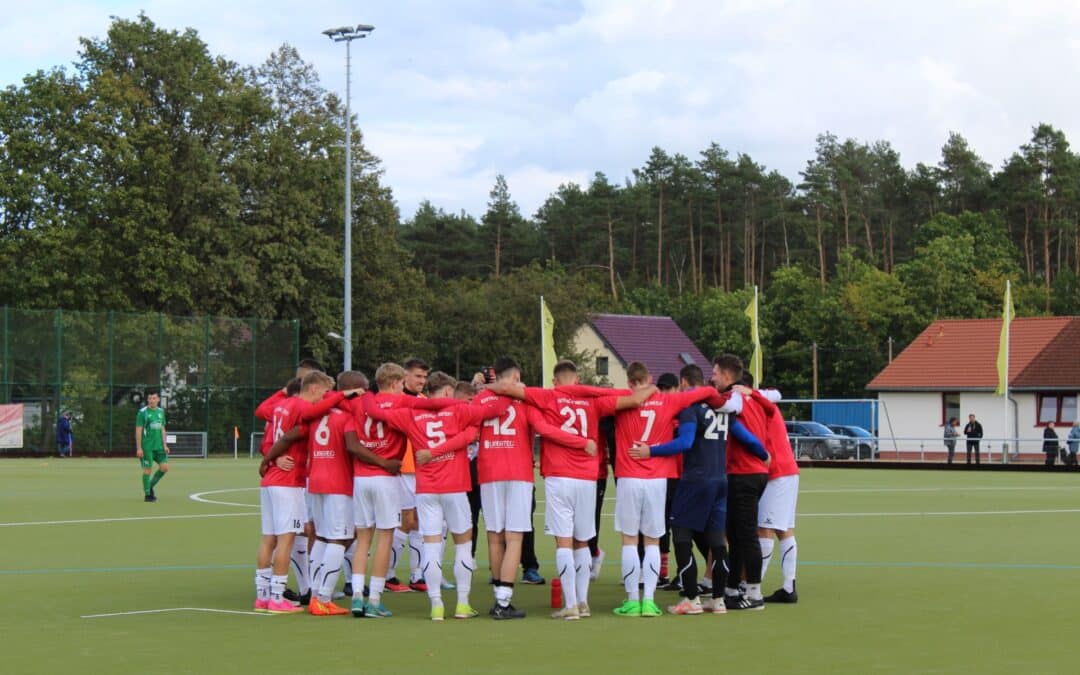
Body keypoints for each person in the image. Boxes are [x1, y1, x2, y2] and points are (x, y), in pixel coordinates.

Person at [485, 360, 652, 620]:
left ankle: (570, 604)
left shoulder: (547, 396)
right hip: (587, 478)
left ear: (554, 381)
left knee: (563, 541)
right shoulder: (594, 400)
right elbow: (633, 399)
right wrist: (654, 390)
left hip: (558, 477)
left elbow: (507, 389)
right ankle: (583, 602)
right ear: (577, 380)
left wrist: (486, 385)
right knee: (582, 542)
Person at [363, 371, 510, 621]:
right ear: (446, 392)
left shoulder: (411, 413)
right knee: (463, 544)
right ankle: (462, 603)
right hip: (455, 486)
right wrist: (498, 387)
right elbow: (499, 407)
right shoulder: (461, 410)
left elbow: (376, 413)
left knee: (431, 545)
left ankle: (436, 605)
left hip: (427, 489)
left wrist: (366, 394)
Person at [629, 364, 758, 615]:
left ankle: (691, 598)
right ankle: (718, 599)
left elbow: (686, 442)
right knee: (717, 541)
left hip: (695, 480)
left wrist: (650, 450)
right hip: (720, 480)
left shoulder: (690, 407)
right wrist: (764, 455)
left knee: (681, 536)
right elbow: (746, 437)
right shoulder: (723, 407)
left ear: (684, 383)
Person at [605, 361, 729, 618]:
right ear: (650, 378)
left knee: (630, 539)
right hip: (657, 479)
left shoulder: (622, 397)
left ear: (630, 382)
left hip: (629, 475)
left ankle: (632, 601)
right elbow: (706, 392)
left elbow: (592, 395)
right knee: (652, 540)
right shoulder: (670, 401)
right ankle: (649, 601)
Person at [475, 357, 586, 619]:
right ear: (516, 376)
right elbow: (544, 428)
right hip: (518, 472)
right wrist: (579, 442)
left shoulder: (482, 398)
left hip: (489, 470)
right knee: (514, 537)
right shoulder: (527, 399)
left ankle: (498, 599)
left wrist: (486, 390)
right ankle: (504, 601)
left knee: (494, 536)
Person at [255, 371, 335, 613]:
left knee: (269, 539)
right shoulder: (301, 408)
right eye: (324, 393)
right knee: (287, 539)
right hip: (288, 483)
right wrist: (342, 396)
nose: (324, 398)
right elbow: (306, 423)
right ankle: (278, 597)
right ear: (313, 389)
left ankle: (263, 596)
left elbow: (267, 441)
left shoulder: (280, 407)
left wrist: (272, 458)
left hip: (270, 481)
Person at [712, 355, 773, 611]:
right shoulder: (753, 397)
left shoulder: (733, 399)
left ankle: (755, 593)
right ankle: (732, 587)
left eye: (715, 372)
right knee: (736, 535)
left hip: (745, 473)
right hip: (751, 473)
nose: (712, 377)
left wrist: (761, 453)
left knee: (746, 535)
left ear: (727, 376)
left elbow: (737, 428)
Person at [748, 382, 800, 604]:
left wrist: (751, 392)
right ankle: (789, 587)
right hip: (788, 470)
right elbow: (776, 393)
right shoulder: (764, 402)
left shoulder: (759, 404)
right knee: (784, 529)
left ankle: (753, 587)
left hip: (777, 473)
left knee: (765, 529)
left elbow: (775, 393)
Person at [136, 392, 169, 502]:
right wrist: (139, 448)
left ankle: (149, 487)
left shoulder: (160, 412)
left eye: (154, 398)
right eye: (150, 398)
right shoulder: (142, 413)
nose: (151, 400)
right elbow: (138, 431)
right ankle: (148, 495)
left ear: (158, 399)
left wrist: (165, 445)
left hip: (159, 446)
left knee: (164, 468)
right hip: (147, 447)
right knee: (147, 470)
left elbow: (162, 429)